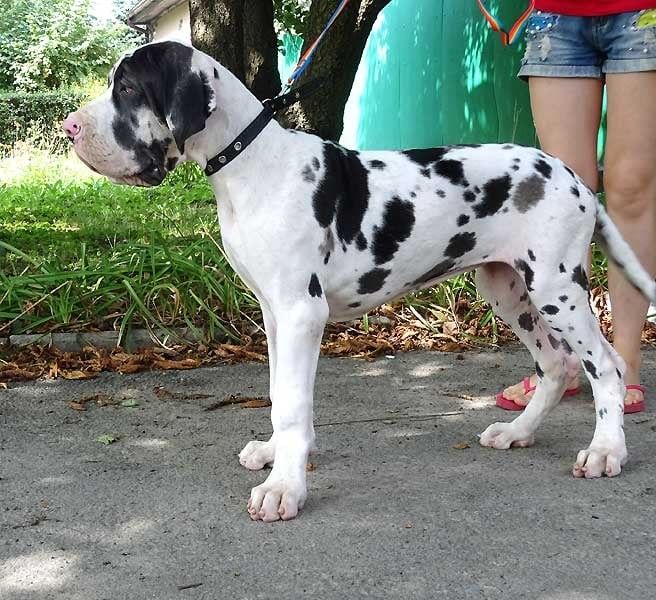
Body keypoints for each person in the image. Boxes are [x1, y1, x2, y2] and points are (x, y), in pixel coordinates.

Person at [495, 1, 656, 414]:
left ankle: (625, 362)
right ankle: (563, 361)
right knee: (564, 194)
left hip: (645, 14)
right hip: (557, 15)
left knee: (633, 186)